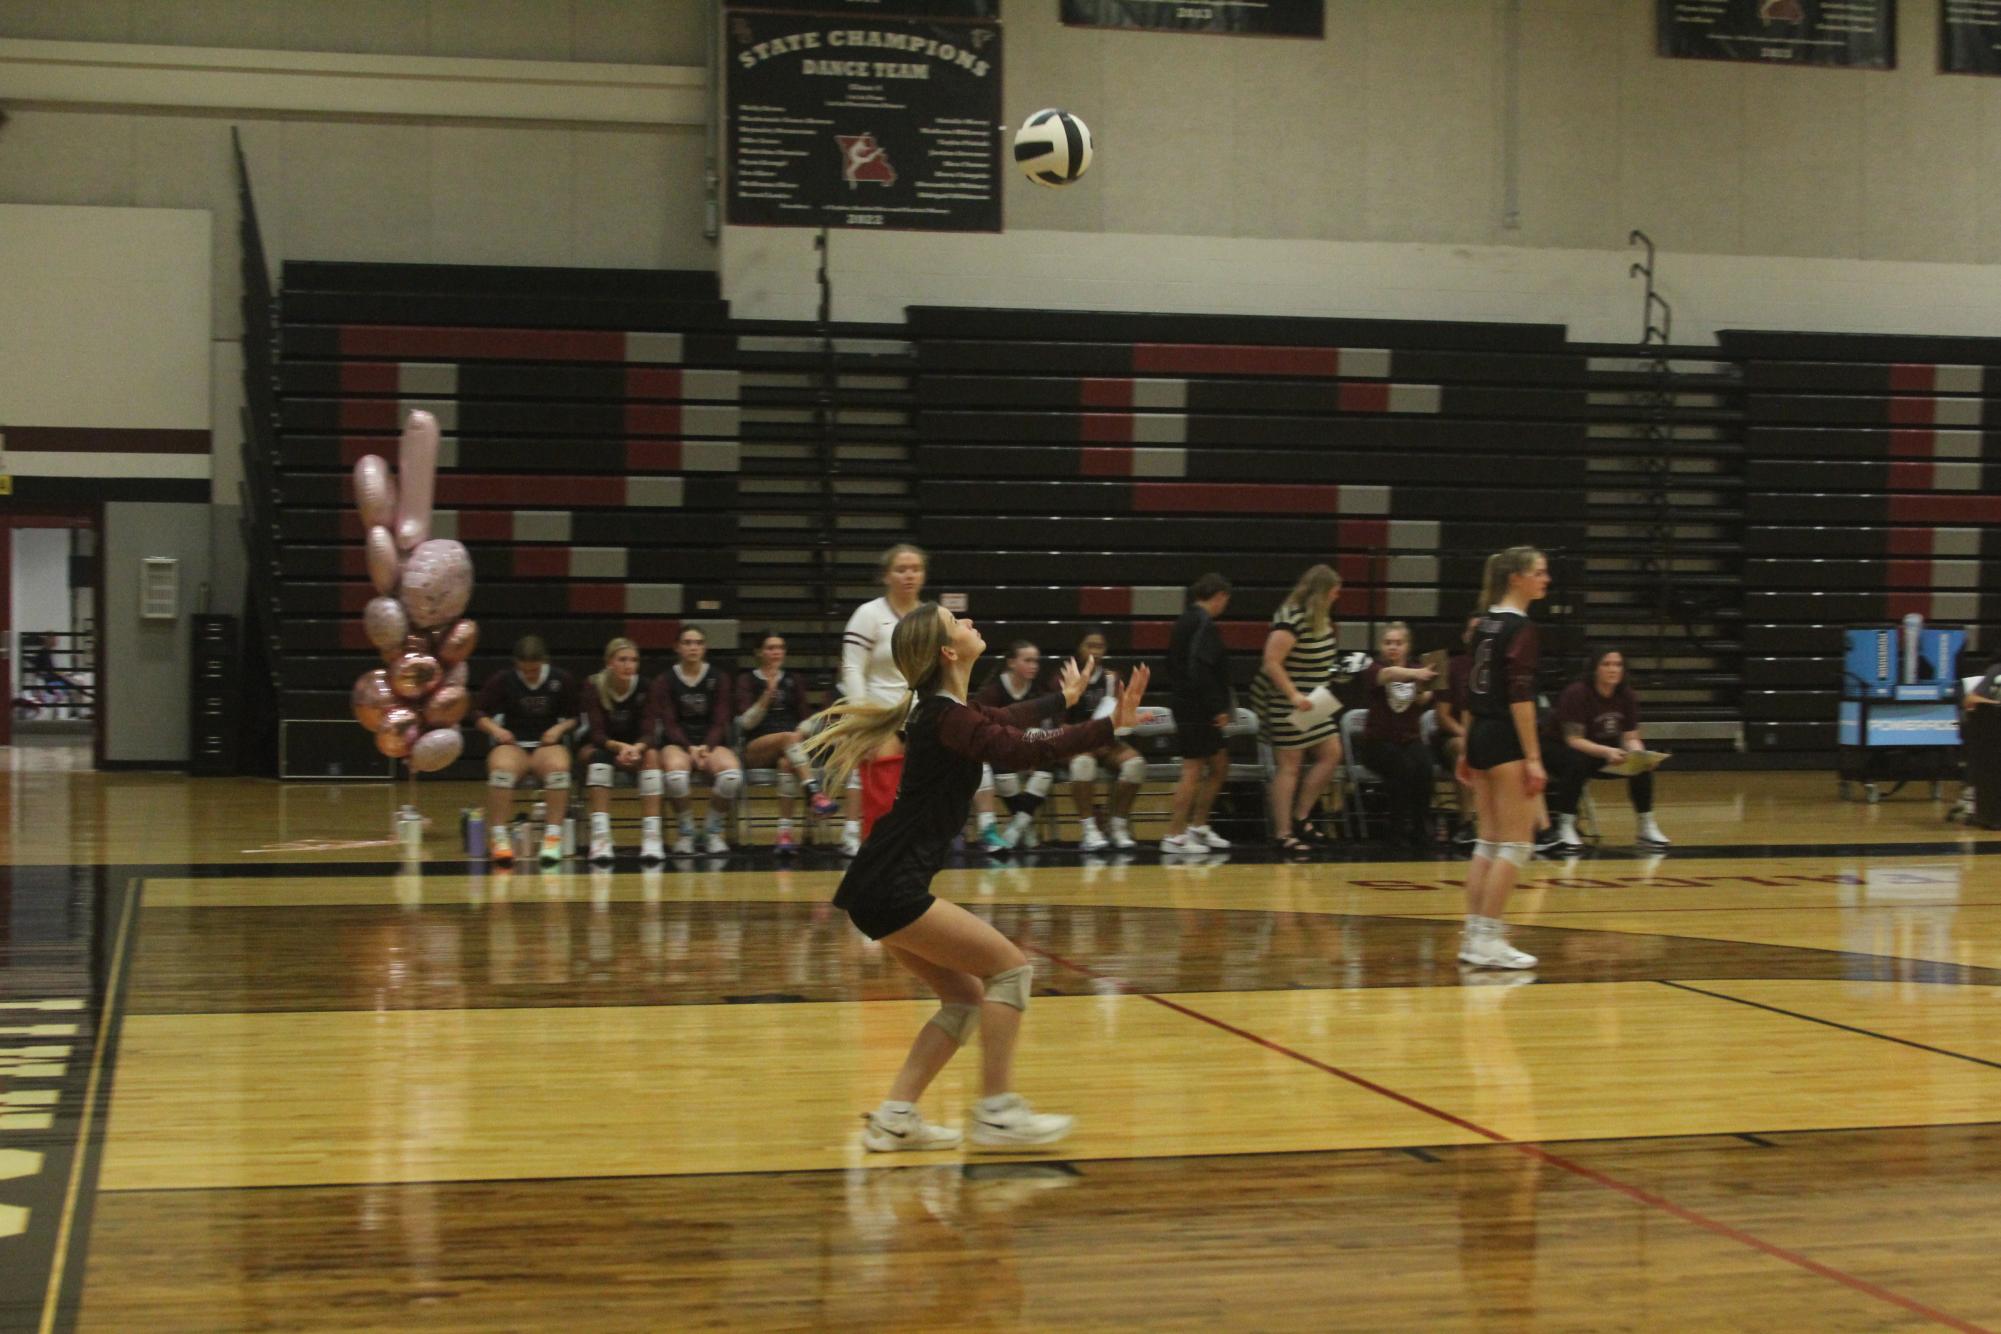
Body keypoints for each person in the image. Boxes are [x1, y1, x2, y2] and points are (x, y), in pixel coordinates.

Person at [803, 602, 1150, 1151]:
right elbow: (1017, 748)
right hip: (891, 886)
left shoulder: (947, 711)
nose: (968, 623)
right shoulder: (948, 717)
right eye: (956, 623)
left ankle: (895, 1115)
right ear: (947, 651)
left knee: (963, 999)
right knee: (1011, 973)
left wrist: (1064, 699)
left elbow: (1006, 723)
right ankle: (996, 1111)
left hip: (879, 884)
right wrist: (1109, 725)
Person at [1456, 546, 1550, 970]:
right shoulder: (1520, 628)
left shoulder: (1483, 624)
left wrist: (1465, 746)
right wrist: (1533, 756)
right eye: (1539, 573)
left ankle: (1474, 936)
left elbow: (1469, 694)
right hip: (1507, 737)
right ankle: (1490, 938)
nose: (1545, 579)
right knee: (1516, 843)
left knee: (1488, 841)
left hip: (1481, 735)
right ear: (1517, 579)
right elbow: (1520, 697)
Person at [1249, 563, 1346, 854]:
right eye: (1335, 592)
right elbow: (1271, 660)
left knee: (1331, 753)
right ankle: (1283, 833)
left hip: (1316, 700)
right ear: (1324, 591)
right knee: (1289, 766)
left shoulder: (1322, 619)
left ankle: (1301, 815)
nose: (1337, 597)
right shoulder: (1291, 618)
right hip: (1289, 702)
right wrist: (1292, 695)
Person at [841, 543, 929, 855]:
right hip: (880, 716)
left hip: (922, 716)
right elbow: (852, 667)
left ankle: (911, 858)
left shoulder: (930, 617)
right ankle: (875, 856)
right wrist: (861, 718)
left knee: (922, 794)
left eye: (915, 569)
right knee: (882, 794)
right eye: (901, 569)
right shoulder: (868, 615)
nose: (909, 575)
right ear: (886, 576)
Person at [1544, 647, 1669, 851]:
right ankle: (1565, 825)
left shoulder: (1626, 694)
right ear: (1594, 668)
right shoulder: (1577, 693)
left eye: (1618, 665)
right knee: (1577, 761)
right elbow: (1573, 739)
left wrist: (1640, 755)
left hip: (1599, 749)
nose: (1613, 669)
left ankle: (1646, 825)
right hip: (1558, 749)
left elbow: (1630, 736)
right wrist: (1606, 752)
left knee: (1640, 767)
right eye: (1607, 664)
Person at [470, 635, 579, 866]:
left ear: (544, 662)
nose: (530, 675)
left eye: (535, 670)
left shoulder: (561, 679)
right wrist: (495, 730)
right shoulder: (503, 680)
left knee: (559, 770)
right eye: (525, 670)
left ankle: (552, 837)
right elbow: (478, 714)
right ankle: (499, 836)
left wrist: (559, 729)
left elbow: (575, 718)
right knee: (501, 771)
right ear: (516, 665)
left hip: (546, 744)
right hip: (513, 743)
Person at [734, 630, 839, 855]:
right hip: (756, 748)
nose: (776, 652)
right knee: (787, 738)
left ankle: (784, 834)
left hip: (792, 750)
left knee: (786, 764)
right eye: (770, 648)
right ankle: (814, 793)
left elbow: (805, 717)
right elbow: (745, 724)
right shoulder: (747, 680)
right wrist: (765, 697)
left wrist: (802, 731)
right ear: (759, 652)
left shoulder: (793, 679)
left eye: (780, 647)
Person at [1043, 629, 1145, 850]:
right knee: (1083, 763)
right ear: (1079, 648)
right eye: (1090, 645)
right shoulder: (1064, 678)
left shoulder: (1112, 678)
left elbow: (1121, 718)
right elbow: (1059, 725)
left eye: (1100, 646)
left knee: (1135, 765)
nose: (1095, 651)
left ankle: (1116, 825)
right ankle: (1089, 829)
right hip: (1073, 741)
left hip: (1105, 741)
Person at [1161, 573, 1235, 855]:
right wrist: (1217, 706)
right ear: (1219, 596)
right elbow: (1200, 669)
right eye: (1224, 601)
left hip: (1188, 702)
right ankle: (1174, 835)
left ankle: (1198, 826)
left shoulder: (1184, 621)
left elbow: (1169, 663)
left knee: (1219, 765)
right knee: (1193, 768)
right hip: (1197, 706)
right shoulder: (1202, 623)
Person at [578, 637, 666, 865]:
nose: (629, 665)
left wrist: (635, 748)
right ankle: (601, 839)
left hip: (635, 747)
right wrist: (620, 748)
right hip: (602, 746)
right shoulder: (593, 685)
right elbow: (596, 733)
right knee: (598, 759)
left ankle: (652, 838)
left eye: (634, 660)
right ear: (609, 662)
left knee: (653, 755)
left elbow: (650, 730)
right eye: (623, 659)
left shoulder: (646, 686)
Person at [655, 624, 742, 855]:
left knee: (731, 776)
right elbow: (669, 722)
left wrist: (706, 746)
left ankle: (712, 831)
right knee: (675, 776)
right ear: (677, 647)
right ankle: (686, 832)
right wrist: (689, 747)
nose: (693, 647)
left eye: (698, 643)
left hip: (710, 741)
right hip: (678, 741)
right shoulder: (665, 680)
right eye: (687, 643)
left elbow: (721, 718)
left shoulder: (719, 677)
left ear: (704, 648)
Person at [1354, 621, 1440, 846]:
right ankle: (1396, 829)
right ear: (1381, 646)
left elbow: (1421, 699)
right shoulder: (1374, 669)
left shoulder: (1416, 670)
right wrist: (1418, 673)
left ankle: (1421, 827)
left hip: (1408, 739)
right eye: (1388, 642)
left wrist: (1429, 690)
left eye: (1398, 643)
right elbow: (1390, 674)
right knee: (1402, 767)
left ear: (1407, 646)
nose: (1393, 647)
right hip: (1376, 743)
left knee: (1424, 766)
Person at [974, 639, 1061, 851]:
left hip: (1029, 751)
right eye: (1028, 660)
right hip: (1000, 750)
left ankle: (1017, 826)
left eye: (1036, 661)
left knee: (1048, 761)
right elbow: (979, 727)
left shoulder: (1040, 691)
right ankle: (1024, 826)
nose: (1034, 666)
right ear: (1012, 663)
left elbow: (1052, 726)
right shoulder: (992, 692)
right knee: (1003, 772)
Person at [1431, 614, 1481, 846]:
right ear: (1464, 636)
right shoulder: (1451, 666)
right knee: (1466, 749)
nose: (1478, 634)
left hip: (1488, 735)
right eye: (1473, 630)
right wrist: (1468, 735)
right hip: (1453, 737)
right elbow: (1442, 717)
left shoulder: (1499, 668)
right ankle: (1467, 823)